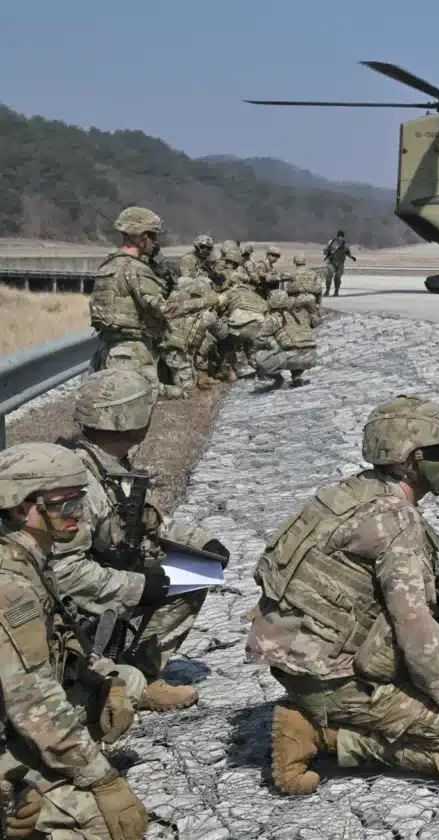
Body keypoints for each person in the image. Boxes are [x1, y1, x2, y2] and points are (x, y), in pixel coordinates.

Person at [246, 396, 439, 795]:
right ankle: (319, 734)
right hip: (328, 679)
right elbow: (415, 626)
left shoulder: (348, 494)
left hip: (292, 655)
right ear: (408, 461)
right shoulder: (396, 522)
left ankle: (317, 709)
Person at [50, 370, 228, 712]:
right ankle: (105, 681)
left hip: (104, 573)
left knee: (195, 573)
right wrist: (138, 586)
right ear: (128, 419)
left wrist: (202, 543)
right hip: (67, 604)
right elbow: (64, 575)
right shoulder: (81, 482)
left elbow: (146, 521)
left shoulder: (109, 465)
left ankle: (140, 676)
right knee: (161, 583)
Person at [0, 443, 150, 840]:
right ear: (21, 509)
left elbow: (60, 636)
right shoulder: (9, 586)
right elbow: (32, 700)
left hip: (15, 715)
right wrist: (103, 780)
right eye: (65, 505)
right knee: (108, 824)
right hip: (12, 725)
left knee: (127, 681)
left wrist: (104, 678)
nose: (77, 516)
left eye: (79, 502)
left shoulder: (27, 553)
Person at [89, 207, 214, 401]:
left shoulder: (106, 266)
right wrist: (206, 301)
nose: (155, 242)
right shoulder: (137, 269)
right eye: (153, 237)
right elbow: (165, 310)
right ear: (141, 237)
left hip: (106, 348)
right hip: (134, 351)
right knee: (144, 402)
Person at [158, 274, 219, 398]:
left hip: (166, 350)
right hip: (176, 355)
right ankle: (161, 390)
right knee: (188, 391)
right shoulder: (207, 316)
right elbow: (222, 333)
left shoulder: (177, 308)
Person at [252, 289, 318, 389]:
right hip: (312, 356)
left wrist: (267, 347)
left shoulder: (273, 318)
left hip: (295, 358)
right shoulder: (299, 314)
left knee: (256, 358)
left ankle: (280, 382)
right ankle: (296, 376)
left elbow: (259, 340)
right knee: (294, 346)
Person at [322, 230, 355, 296]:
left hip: (339, 263)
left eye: (341, 236)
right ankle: (328, 291)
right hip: (332, 262)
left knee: (337, 277)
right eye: (340, 236)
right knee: (330, 277)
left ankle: (335, 291)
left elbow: (347, 252)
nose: (340, 238)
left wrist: (352, 257)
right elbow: (326, 250)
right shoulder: (332, 242)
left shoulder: (344, 244)